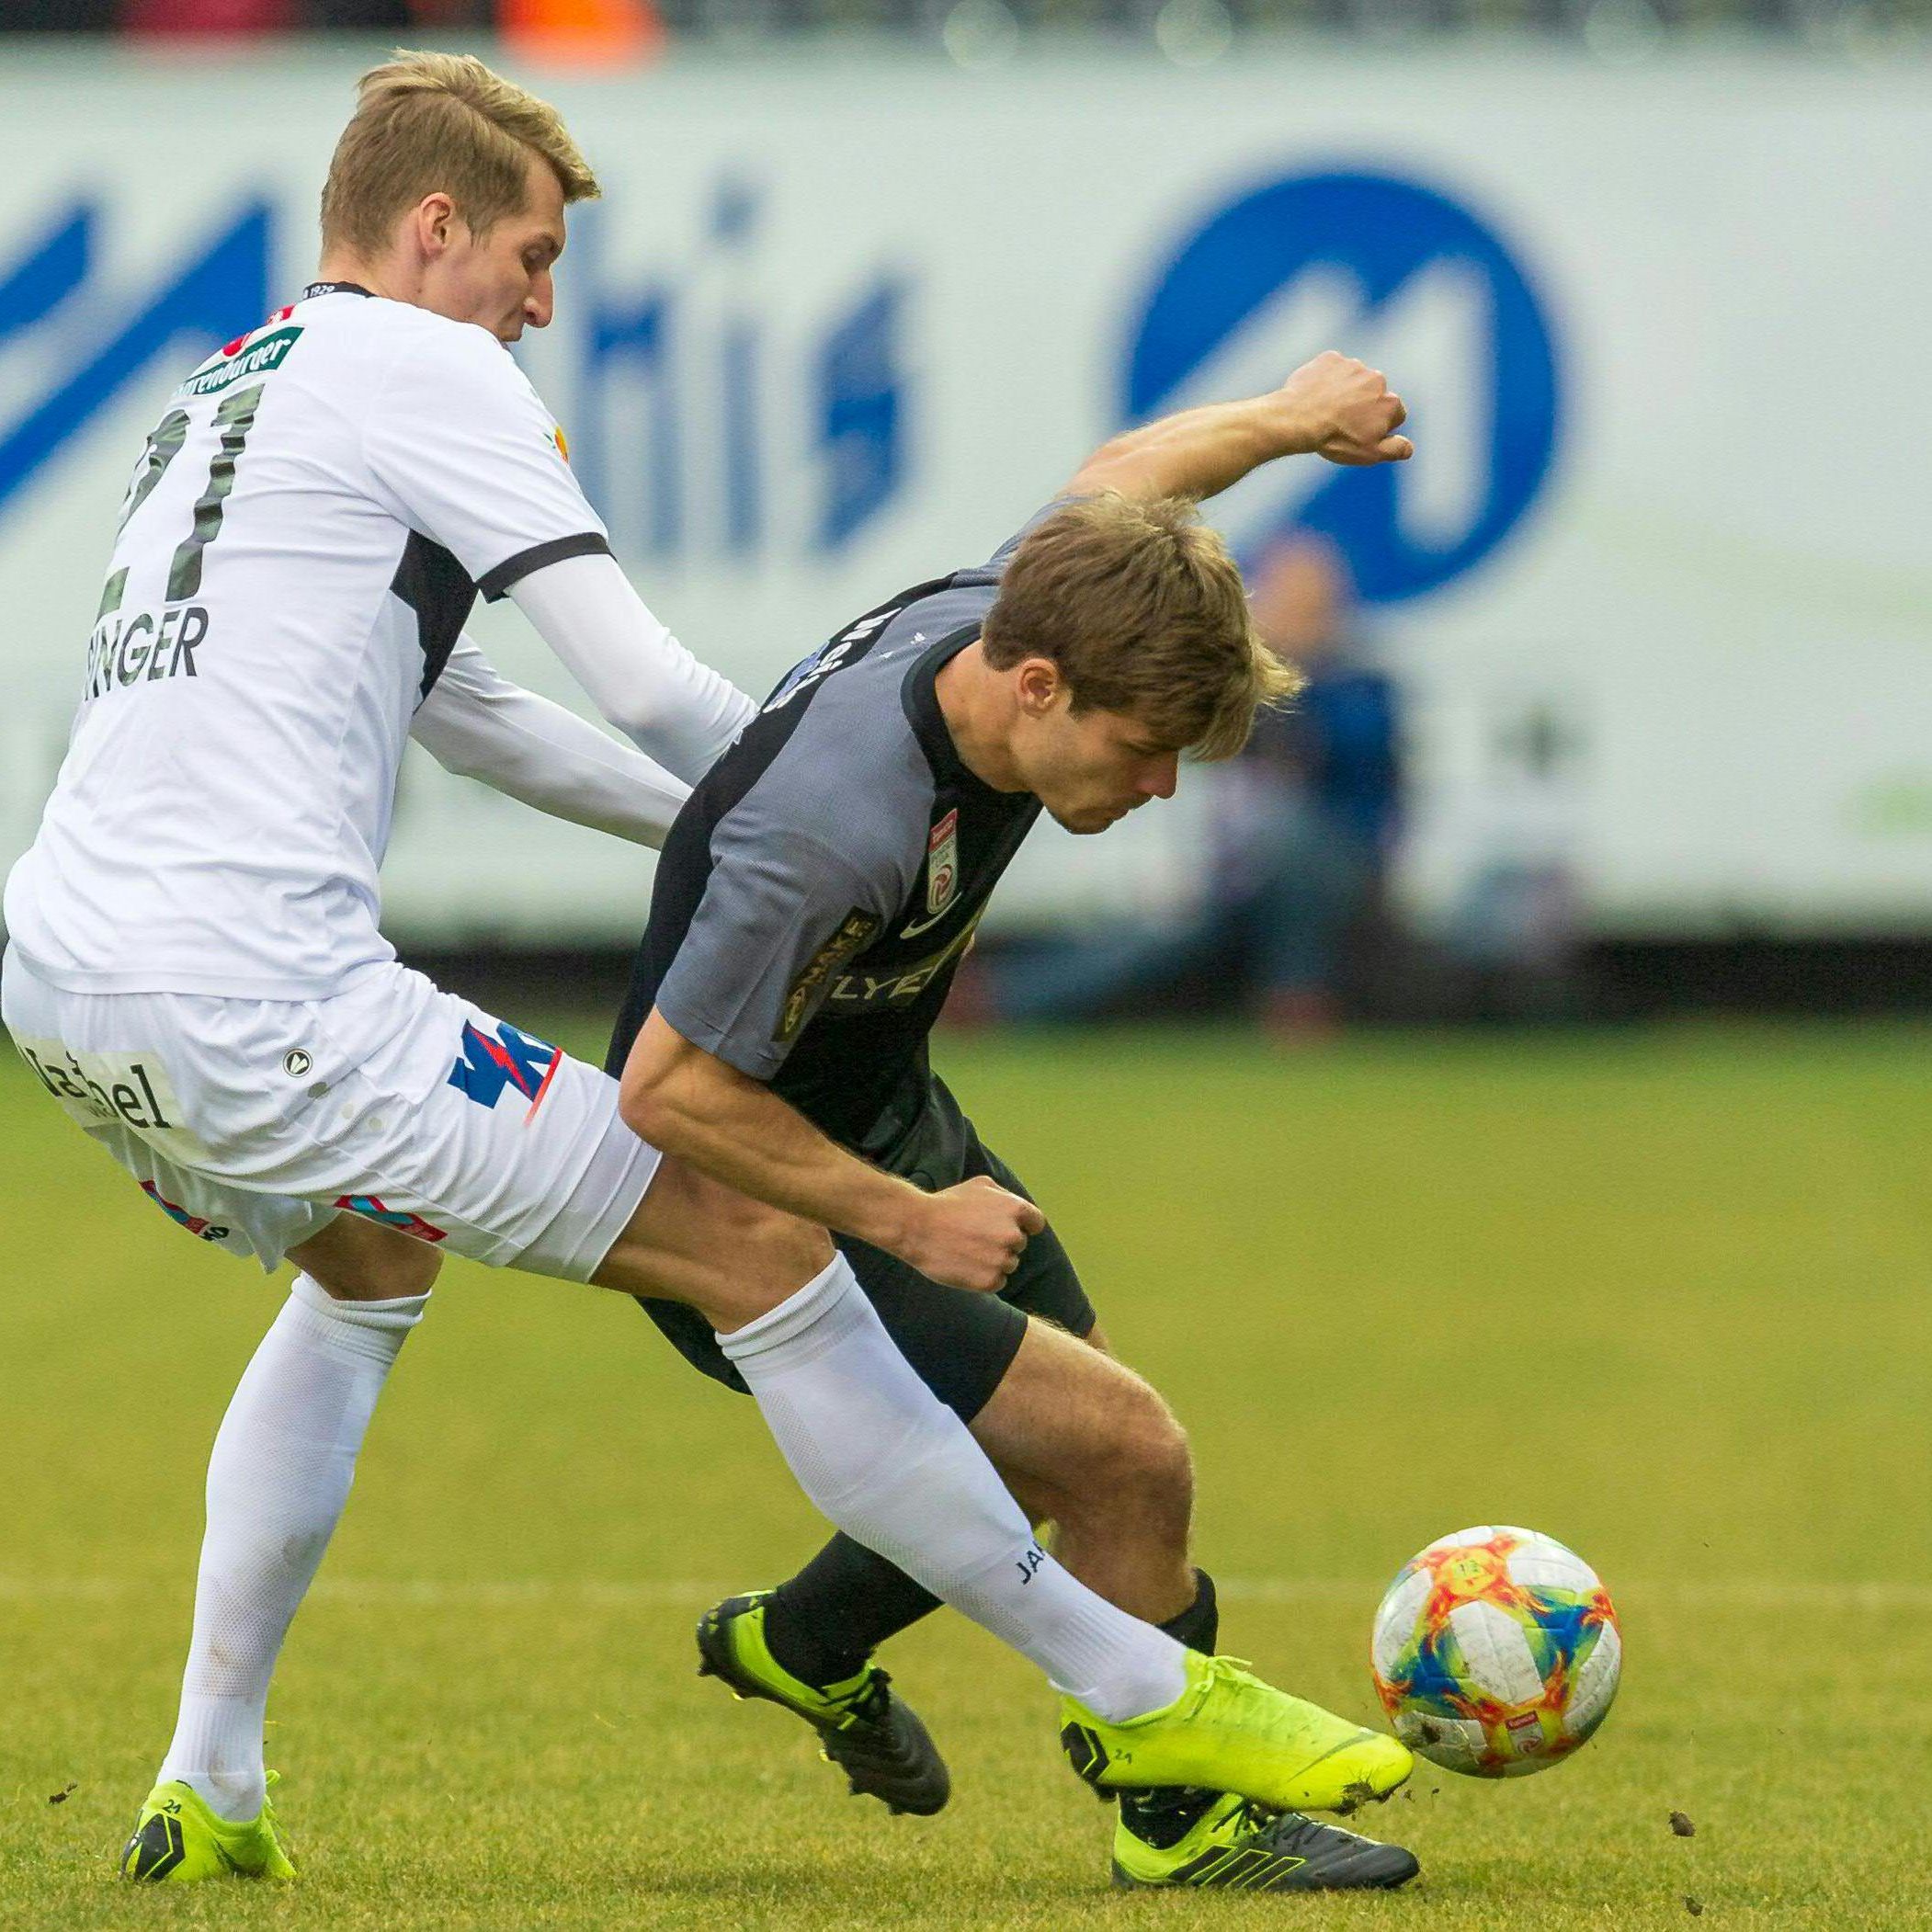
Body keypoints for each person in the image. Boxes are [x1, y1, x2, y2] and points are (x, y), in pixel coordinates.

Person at [0, 51, 1404, 1887]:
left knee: (363, 1263)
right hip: (257, 990)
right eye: (525, 252)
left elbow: (472, 710)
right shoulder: (431, 365)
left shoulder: (228, 395)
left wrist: (757, 821)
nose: (540, 302)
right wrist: (831, 794)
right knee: (762, 1239)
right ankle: (1143, 1689)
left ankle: (210, 1778)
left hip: (63, 968)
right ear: (431, 230)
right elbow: (647, 687)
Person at [607, 356, 1423, 1892]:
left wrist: (1292, 423)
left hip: (879, 1105)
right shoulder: (829, 824)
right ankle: (1178, 1822)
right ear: (1036, 688)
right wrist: (908, 1218)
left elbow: (1130, 467)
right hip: (739, 1205)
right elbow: (660, 1089)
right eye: (1139, 750)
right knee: (1126, 1452)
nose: (1162, 786)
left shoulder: (1040, 599)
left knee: (1075, 1441)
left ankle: (806, 1639)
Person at [980, 532, 1402, 1038]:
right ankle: (998, 1000)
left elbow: (1358, 768)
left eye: (1313, 601)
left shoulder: (1360, 686)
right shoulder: (1224, 681)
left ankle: (1296, 993)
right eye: (1289, 597)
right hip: (1225, 868)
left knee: (1292, 841)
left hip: (1333, 866)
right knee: (1153, 940)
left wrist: (1298, 676)